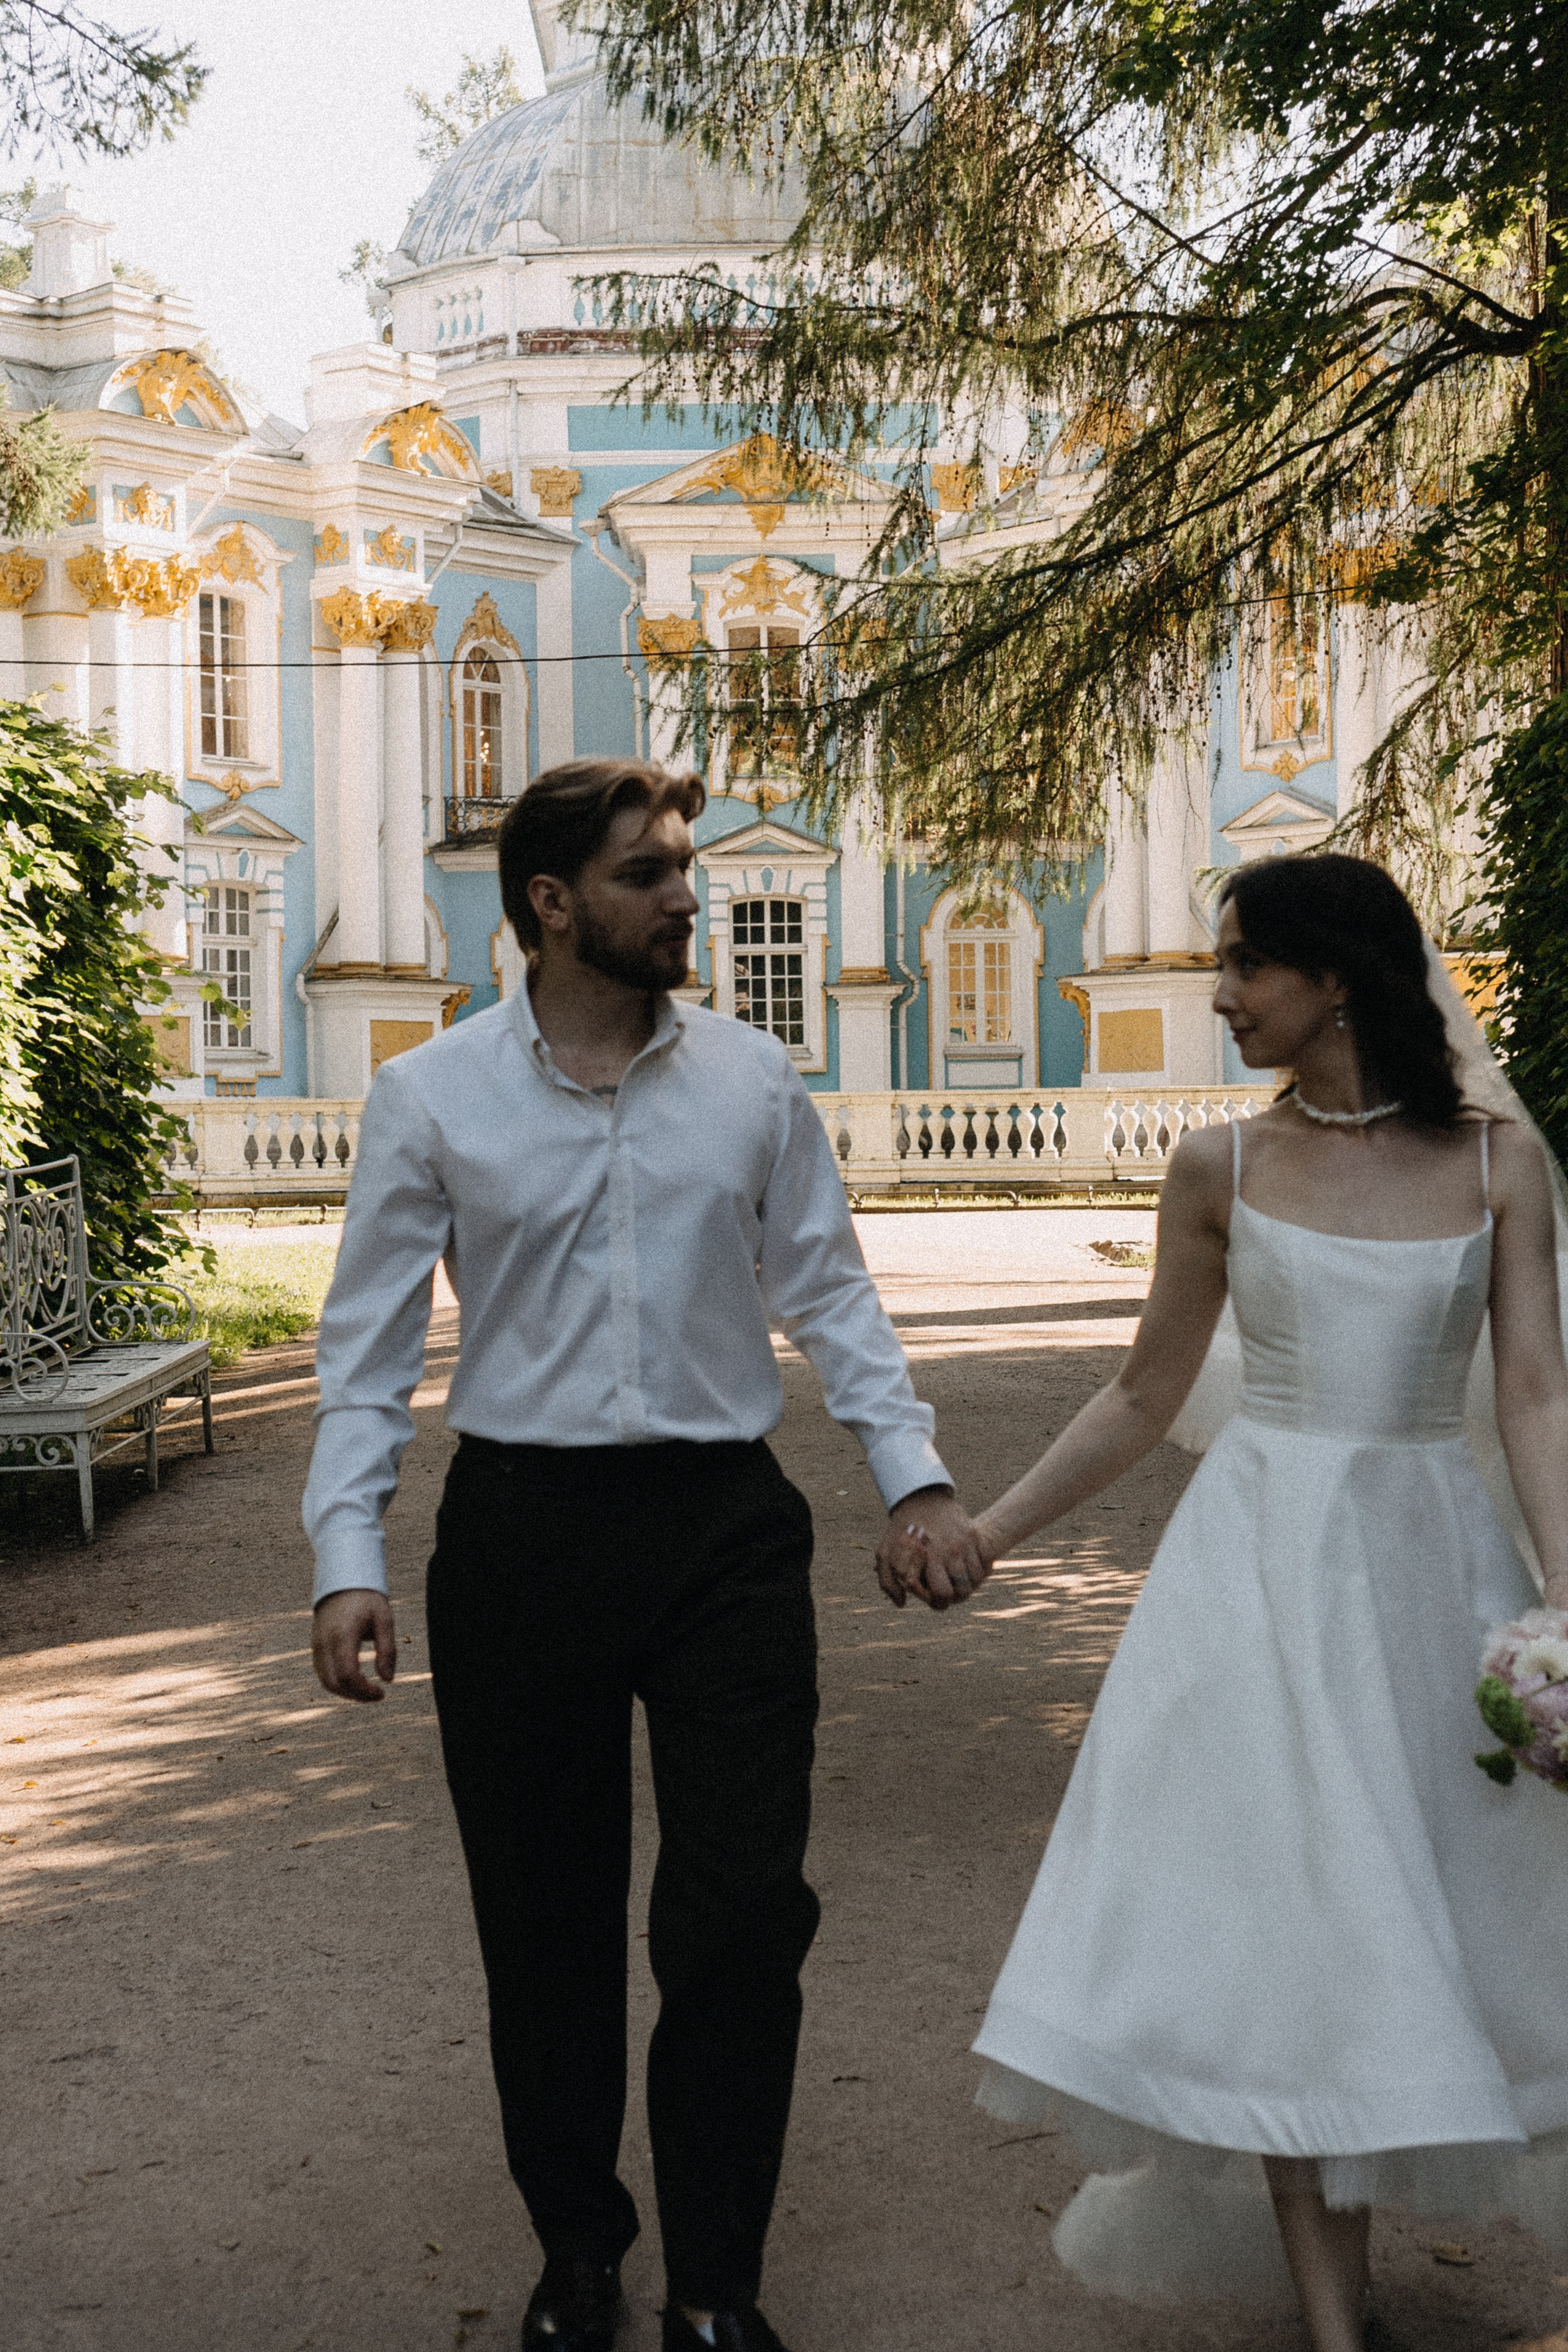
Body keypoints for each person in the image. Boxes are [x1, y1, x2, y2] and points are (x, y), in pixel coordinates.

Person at [303, 758, 986, 2352]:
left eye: (683, 866)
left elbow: (833, 1298)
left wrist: (916, 1482)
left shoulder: (753, 1085)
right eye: (645, 873)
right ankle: (579, 2255)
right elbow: (366, 1350)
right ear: (548, 904)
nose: (688, 893)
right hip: (523, 1537)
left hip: (719, 1534)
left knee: (742, 1918)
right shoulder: (433, 1097)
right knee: (543, 1927)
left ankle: (716, 2288)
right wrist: (350, 1553)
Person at [881, 854, 1568, 2352]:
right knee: (1293, 1935)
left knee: (1453, 1915)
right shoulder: (1219, 1167)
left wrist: (1564, 1604)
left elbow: (1527, 1391)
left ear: (1336, 978)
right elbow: (1143, 1393)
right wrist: (988, 1531)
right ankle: (1332, 2325)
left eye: (1246, 963)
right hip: (1256, 1583)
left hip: (1433, 1571)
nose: (1217, 992)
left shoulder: (1496, 1165)